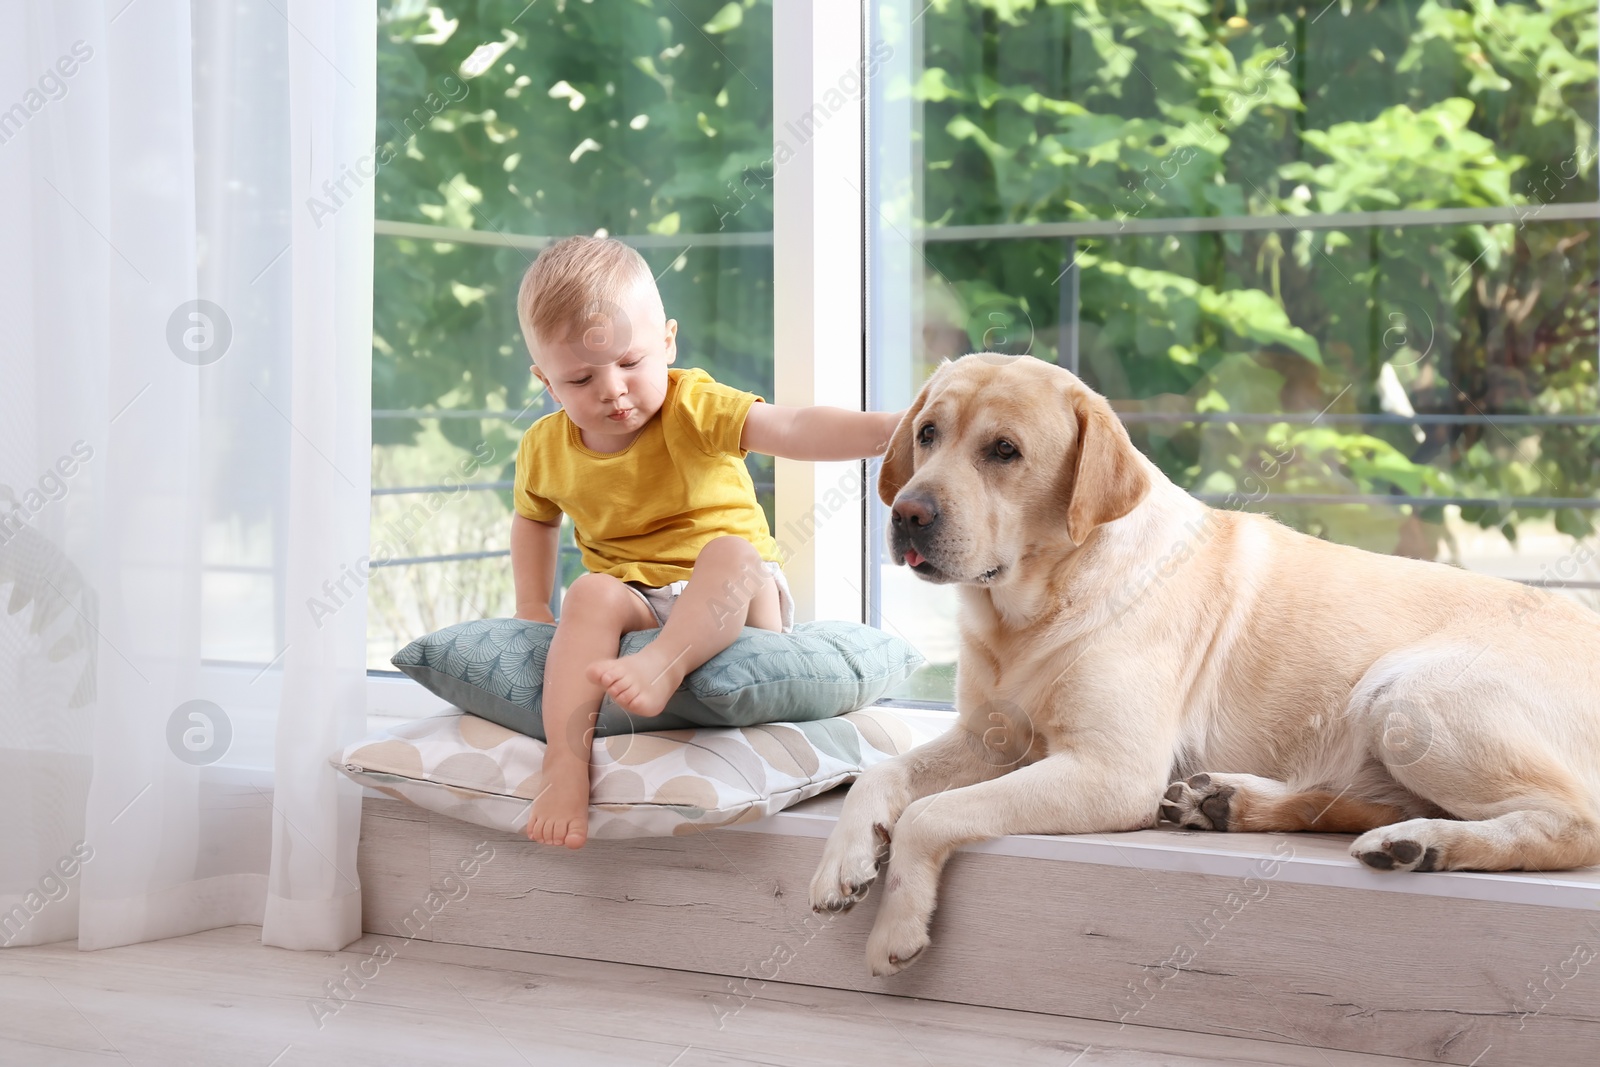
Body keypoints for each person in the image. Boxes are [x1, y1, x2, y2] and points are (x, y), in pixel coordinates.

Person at [510, 236, 902, 849]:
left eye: (632, 363)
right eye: (581, 378)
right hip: (642, 599)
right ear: (546, 381)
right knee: (588, 591)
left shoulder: (692, 404)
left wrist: (888, 430)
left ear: (667, 341)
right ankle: (563, 764)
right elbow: (535, 521)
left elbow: (793, 426)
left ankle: (664, 665)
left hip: (740, 600)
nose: (612, 389)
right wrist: (533, 605)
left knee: (732, 552)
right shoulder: (542, 446)